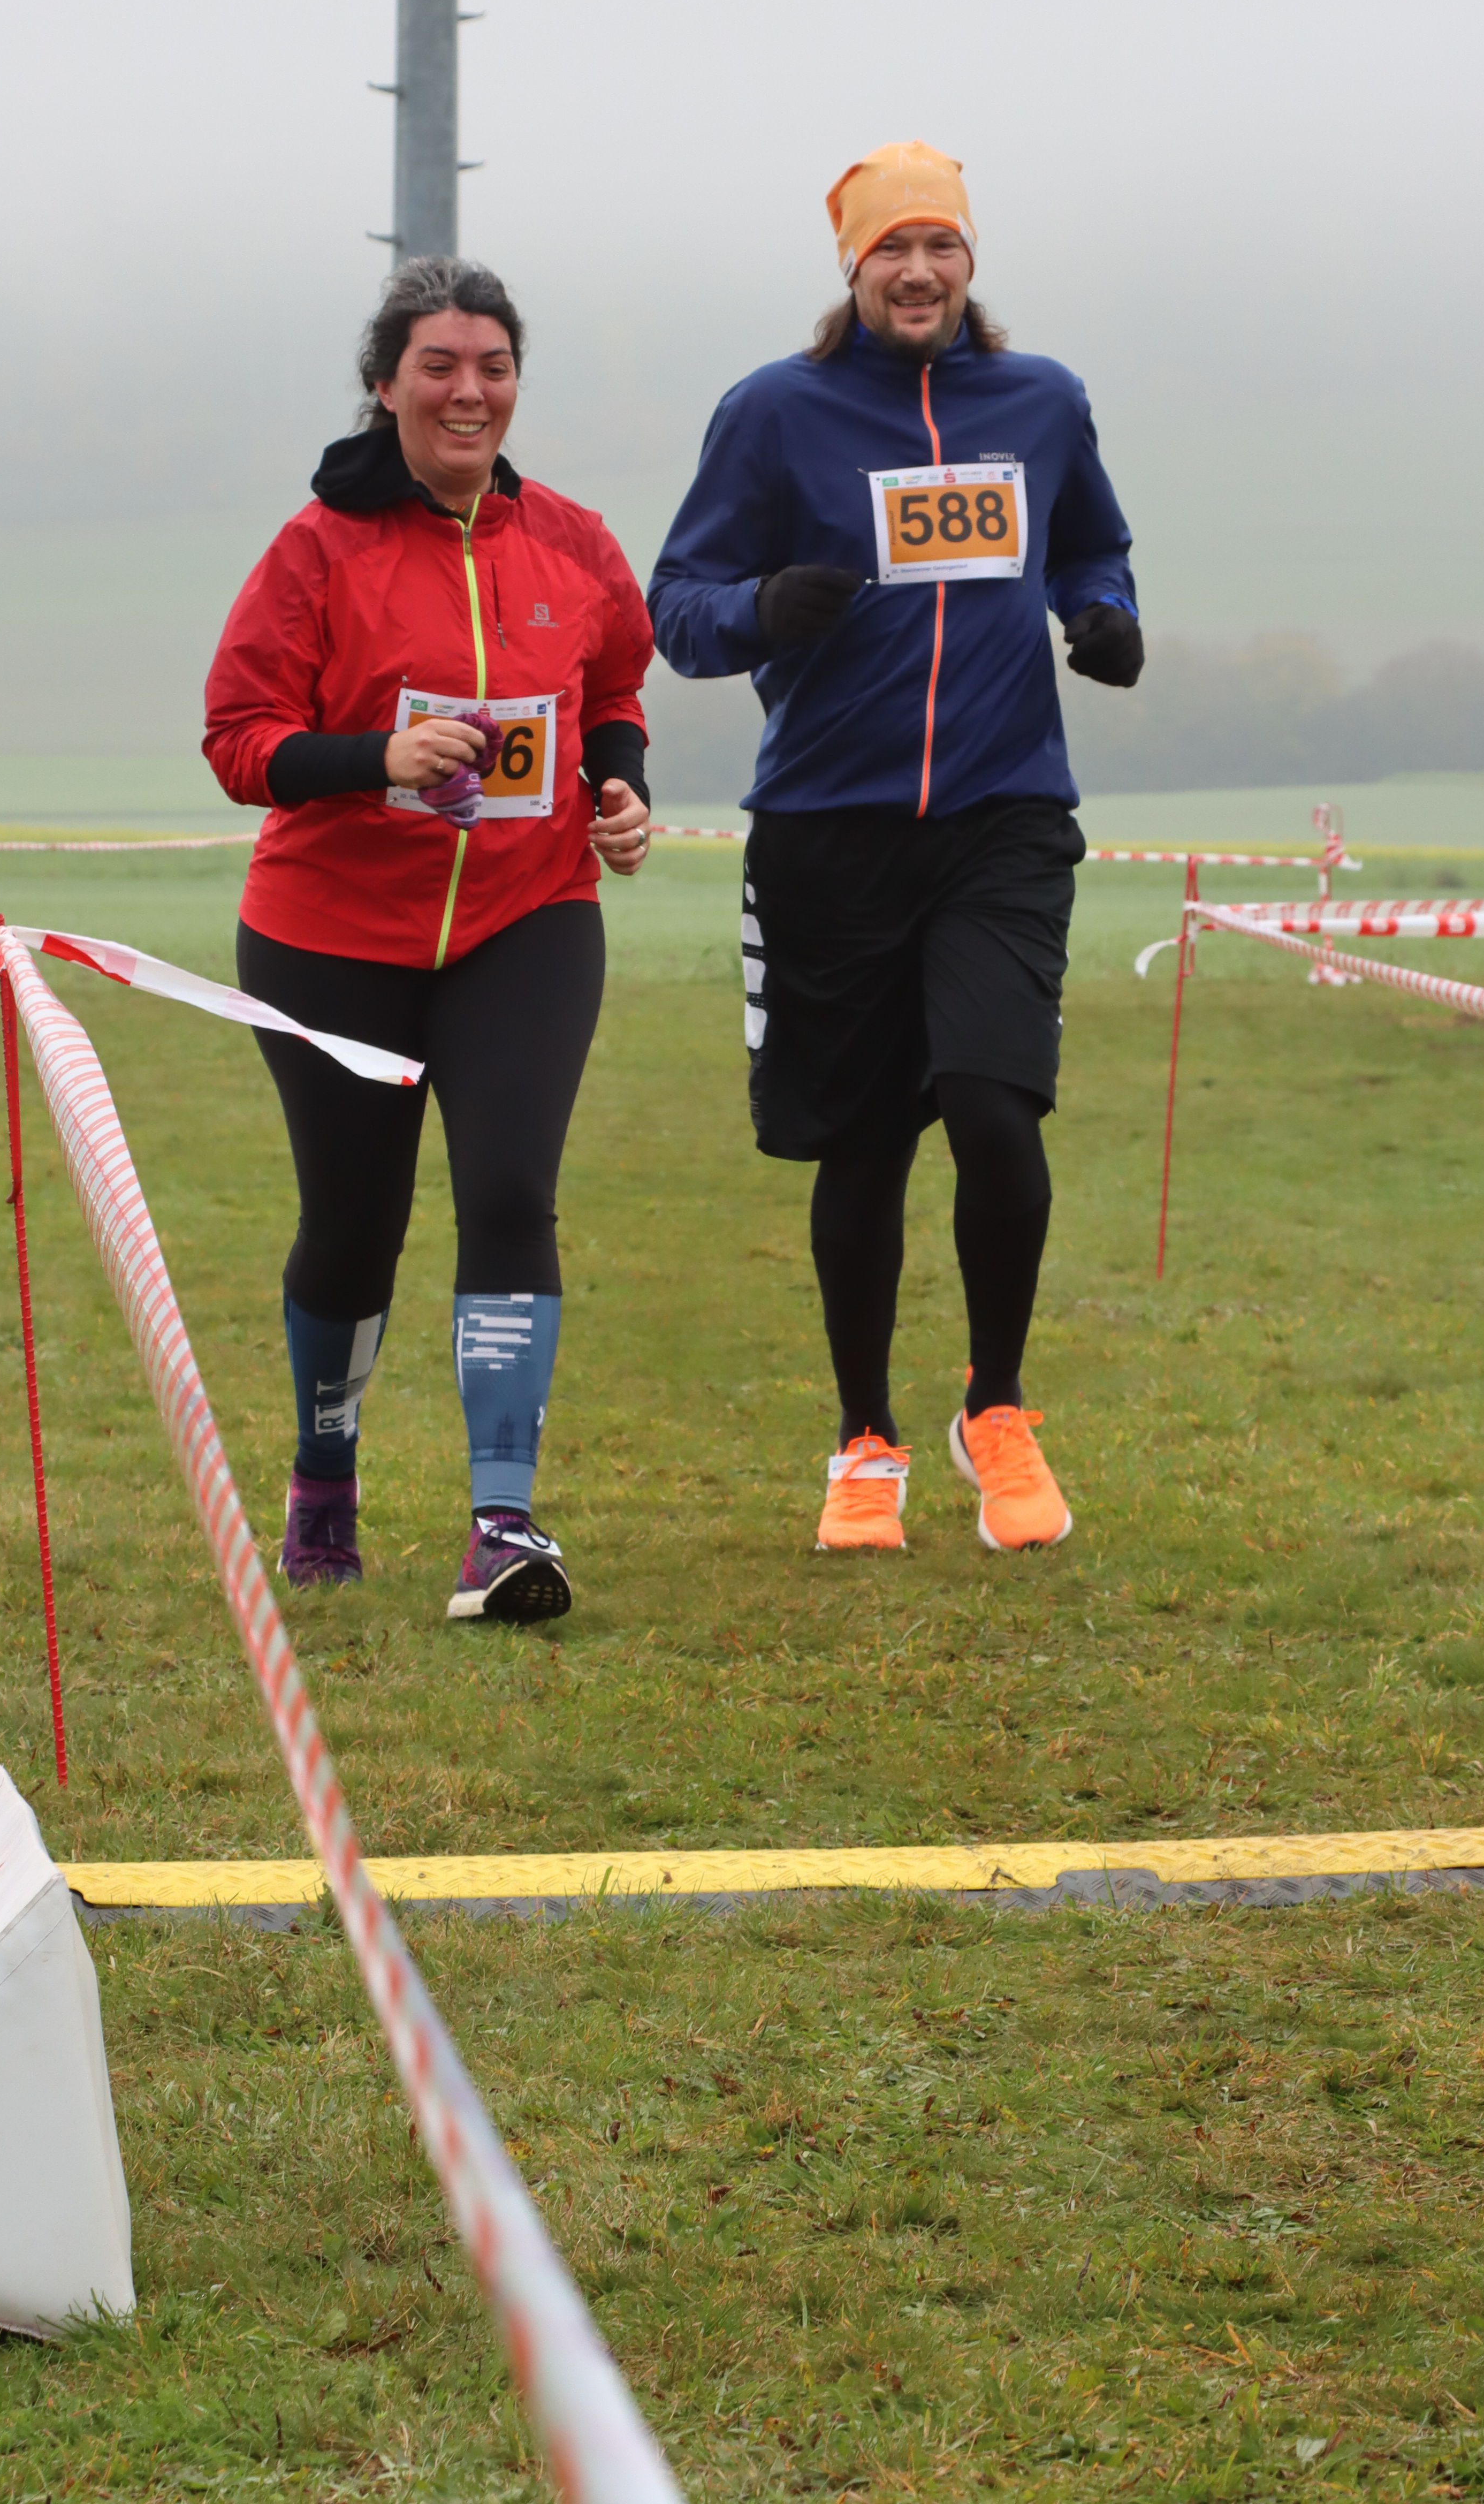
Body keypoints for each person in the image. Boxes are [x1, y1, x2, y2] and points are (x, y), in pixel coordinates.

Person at [647, 141, 1141, 1558]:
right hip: (830, 827)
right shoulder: (775, 413)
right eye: (891, 252)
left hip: (1003, 818)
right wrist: (763, 611)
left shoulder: (1040, 402)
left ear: (970, 263)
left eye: (942, 247)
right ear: (853, 270)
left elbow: (1092, 545)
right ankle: (865, 1442)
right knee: (862, 1149)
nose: (918, 273)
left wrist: (1103, 614)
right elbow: (677, 604)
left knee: (994, 1112)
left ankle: (997, 1408)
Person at [204, 255, 653, 1618]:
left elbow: (614, 686)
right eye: (440, 367)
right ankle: (323, 1480)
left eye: (494, 368)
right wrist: (377, 759)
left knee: (510, 1193)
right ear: (386, 385)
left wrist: (618, 787)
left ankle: (502, 1526)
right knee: (355, 1227)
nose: (471, 392)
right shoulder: (315, 550)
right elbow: (239, 740)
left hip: (529, 915)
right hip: (331, 934)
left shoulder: (572, 541)